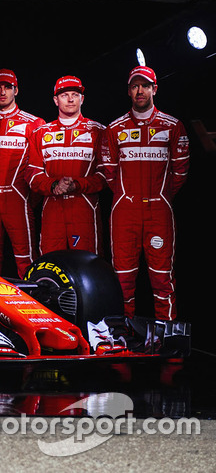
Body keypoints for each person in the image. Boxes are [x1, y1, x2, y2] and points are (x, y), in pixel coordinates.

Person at [101, 66, 190, 321]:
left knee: (162, 278)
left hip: (158, 211)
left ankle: (167, 333)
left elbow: (180, 172)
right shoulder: (115, 128)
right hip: (125, 211)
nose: (140, 91)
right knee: (122, 279)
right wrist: (126, 197)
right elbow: (109, 173)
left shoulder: (173, 126)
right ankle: (122, 336)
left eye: (145, 86)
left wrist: (159, 196)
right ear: (129, 91)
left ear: (154, 89)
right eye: (134, 86)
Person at [0, 69, 45, 277]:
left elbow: (39, 168)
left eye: (7, 87)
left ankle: (32, 306)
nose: (2, 92)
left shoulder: (34, 123)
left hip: (19, 198)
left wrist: (26, 199)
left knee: (26, 260)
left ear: (16, 90)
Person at [27, 76, 106, 255]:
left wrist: (77, 185)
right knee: (50, 263)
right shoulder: (41, 133)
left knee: (87, 267)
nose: (70, 99)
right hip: (52, 212)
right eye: (64, 95)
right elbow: (32, 175)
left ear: (82, 99)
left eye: (75, 94)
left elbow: (106, 174)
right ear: (56, 100)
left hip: (84, 210)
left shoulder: (98, 131)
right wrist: (54, 185)